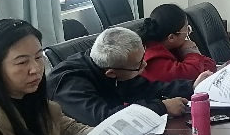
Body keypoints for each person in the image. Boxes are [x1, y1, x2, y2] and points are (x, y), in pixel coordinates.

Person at [49, 26, 211, 126]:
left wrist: (191, 86)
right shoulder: (69, 83)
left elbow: (146, 88)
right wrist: (161, 107)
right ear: (111, 73)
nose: (145, 65)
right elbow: (103, 119)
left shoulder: (112, 63)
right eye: (139, 65)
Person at [140, 4, 217, 82]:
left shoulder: (171, 46)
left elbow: (210, 65)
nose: (188, 33)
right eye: (186, 29)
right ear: (171, 37)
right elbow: (192, 75)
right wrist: (190, 51)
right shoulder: (152, 60)